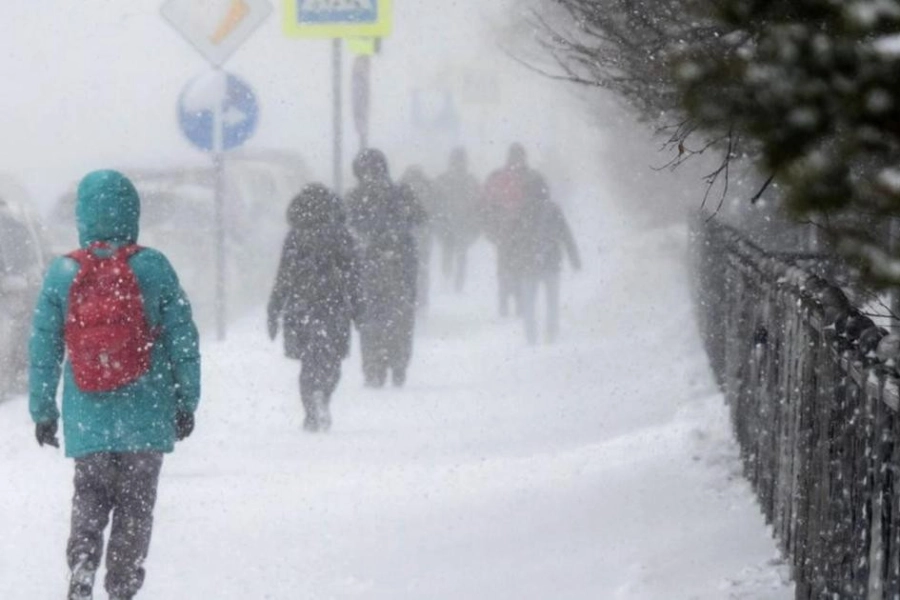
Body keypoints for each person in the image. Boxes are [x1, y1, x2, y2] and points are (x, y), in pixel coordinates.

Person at [29, 170, 201, 600]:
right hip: (146, 415)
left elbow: (44, 348)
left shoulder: (63, 272)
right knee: (135, 507)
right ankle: (122, 585)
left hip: (89, 417)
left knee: (89, 496)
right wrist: (187, 399)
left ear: (83, 214)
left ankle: (83, 565)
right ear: (132, 211)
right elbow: (183, 338)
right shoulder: (153, 267)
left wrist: (44, 410)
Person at [267, 183, 363, 431]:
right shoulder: (342, 235)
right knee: (332, 361)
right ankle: (325, 395)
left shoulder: (295, 236)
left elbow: (283, 276)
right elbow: (353, 276)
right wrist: (358, 309)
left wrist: (274, 308)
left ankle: (311, 408)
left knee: (308, 362)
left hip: (301, 306)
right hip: (335, 306)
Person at [345, 148, 424, 388]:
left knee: (371, 321)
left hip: (370, 267)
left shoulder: (355, 197)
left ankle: (374, 368)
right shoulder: (401, 193)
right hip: (399, 267)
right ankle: (397, 364)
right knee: (399, 318)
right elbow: (420, 218)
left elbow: (349, 230)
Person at [482, 143, 548, 317]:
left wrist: (491, 229)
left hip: (506, 232)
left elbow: (486, 206)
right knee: (518, 267)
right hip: (521, 232)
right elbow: (543, 203)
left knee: (506, 268)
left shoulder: (497, 177)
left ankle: (506, 303)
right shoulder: (534, 178)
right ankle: (517, 303)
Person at [433, 147, 481, 292]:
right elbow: (436, 202)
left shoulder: (444, 179)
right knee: (454, 254)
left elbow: (477, 204)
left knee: (457, 254)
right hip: (452, 223)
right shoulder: (469, 180)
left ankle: (453, 283)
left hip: (457, 223)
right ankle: (450, 282)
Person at [400, 166, 437, 311]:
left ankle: (410, 298)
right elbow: (426, 214)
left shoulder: (401, 190)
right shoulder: (427, 187)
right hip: (422, 235)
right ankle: (421, 298)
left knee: (407, 269)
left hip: (405, 237)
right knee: (422, 268)